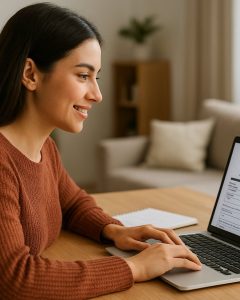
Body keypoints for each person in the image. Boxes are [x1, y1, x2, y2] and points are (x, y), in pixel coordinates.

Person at [0, 3, 201, 299]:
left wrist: (114, 230)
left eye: (97, 77)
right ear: (31, 74)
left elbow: (72, 204)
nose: (97, 94)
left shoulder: (46, 148)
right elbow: (15, 279)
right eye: (83, 76)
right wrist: (134, 269)